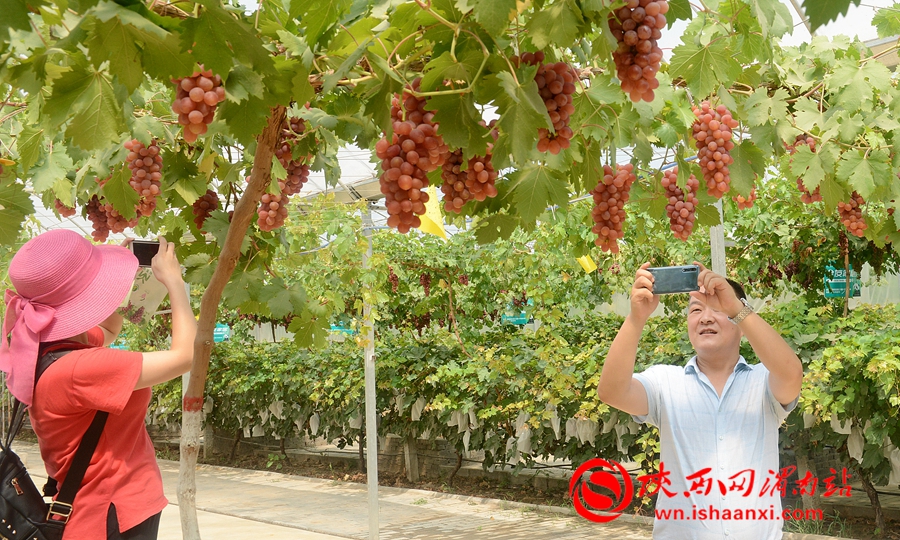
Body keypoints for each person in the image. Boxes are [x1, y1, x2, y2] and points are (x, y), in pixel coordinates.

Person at [0, 230, 197, 539]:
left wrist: (119, 281)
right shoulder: (80, 369)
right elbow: (185, 356)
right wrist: (174, 282)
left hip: (101, 511)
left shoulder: (46, 348)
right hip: (113, 515)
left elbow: (106, 329)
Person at [597, 262, 803, 540]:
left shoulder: (762, 382)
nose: (705, 318)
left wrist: (737, 308)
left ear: (741, 323)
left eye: (718, 309)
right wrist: (636, 319)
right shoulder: (665, 383)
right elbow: (612, 391)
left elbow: (791, 374)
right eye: (695, 310)